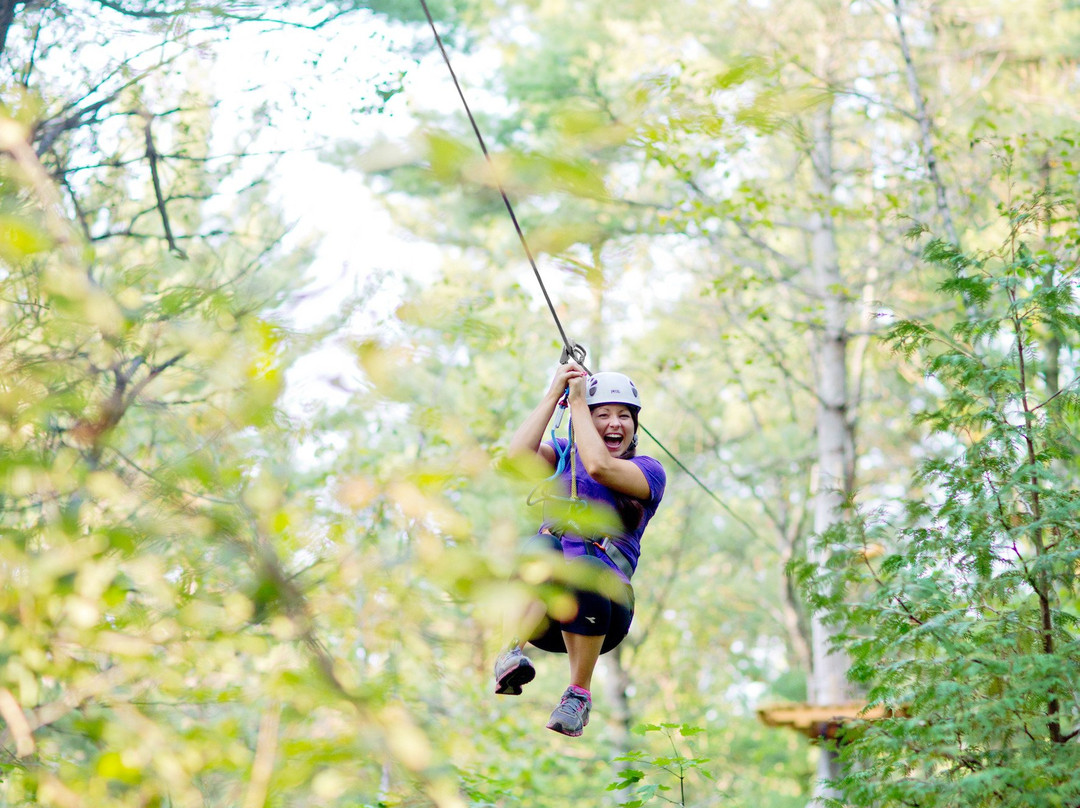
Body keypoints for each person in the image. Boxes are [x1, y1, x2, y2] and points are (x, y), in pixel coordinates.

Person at [494, 362, 666, 737]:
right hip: (548, 612)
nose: (614, 423)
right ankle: (510, 652)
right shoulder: (563, 458)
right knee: (542, 545)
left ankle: (578, 696)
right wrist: (554, 393)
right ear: (587, 421)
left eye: (624, 416)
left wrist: (578, 404)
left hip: (604, 610)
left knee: (587, 570)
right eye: (602, 415)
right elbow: (516, 459)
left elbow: (600, 467)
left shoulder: (648, 471)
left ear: (635, 426)